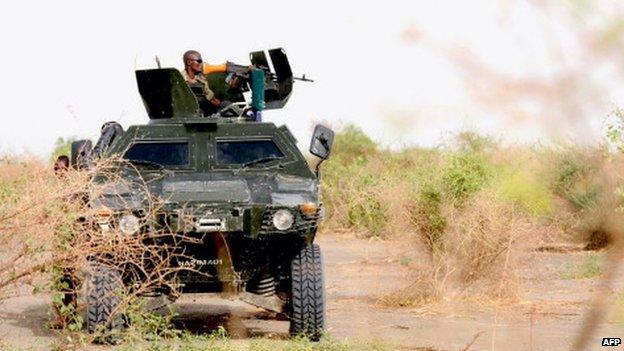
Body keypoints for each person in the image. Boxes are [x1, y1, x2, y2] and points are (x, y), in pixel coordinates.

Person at [182, 50, 228, 115]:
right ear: (189, 62)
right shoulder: (179, 80)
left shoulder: (201, 80)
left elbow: (212, 99)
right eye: (199, 61)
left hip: (202, 113)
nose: (202, 64)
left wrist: (225, 106)